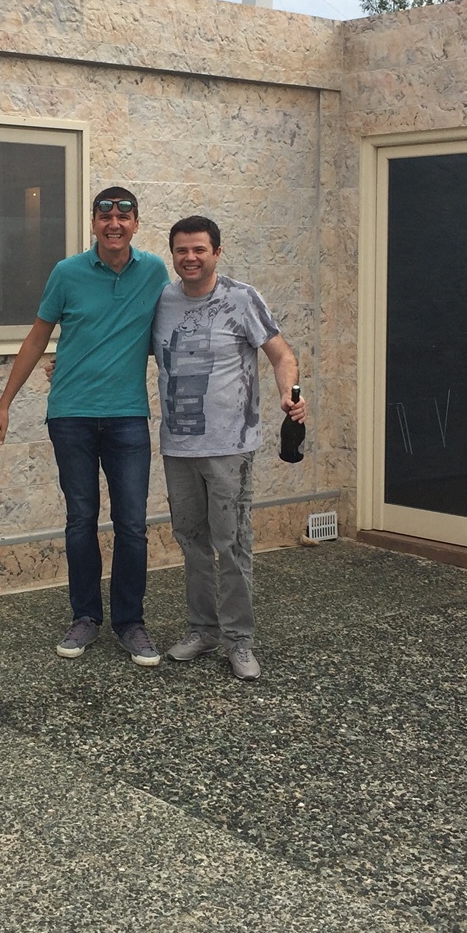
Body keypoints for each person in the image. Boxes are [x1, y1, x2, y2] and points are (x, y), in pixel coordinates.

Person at [0, 186, 170, 667]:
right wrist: (4, 405)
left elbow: (167, 331)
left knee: (132, 523)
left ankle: (131, 623)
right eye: (105, 216)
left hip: (127, 415)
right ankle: (85, 616)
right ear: (93, 223)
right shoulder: (66, 273)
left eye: (124, 216)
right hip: (71, 416)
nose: (114, 223)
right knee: (80, 519)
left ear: (136, 224)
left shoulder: (154, 272)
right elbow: (37, 338)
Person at [153, 216, 305, 682]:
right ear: (173, 255)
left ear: (217, 252)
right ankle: (202, 630)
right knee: (192, 541)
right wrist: (68, 364)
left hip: (229, 446)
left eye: (199, 249)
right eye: (182, 250)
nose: (190, 258)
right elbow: (120, 348)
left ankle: (239, 640)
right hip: (178, 446)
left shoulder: (242, 298)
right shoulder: (162, 301)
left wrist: (289, 393)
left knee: (233, 543)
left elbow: (282, 355)